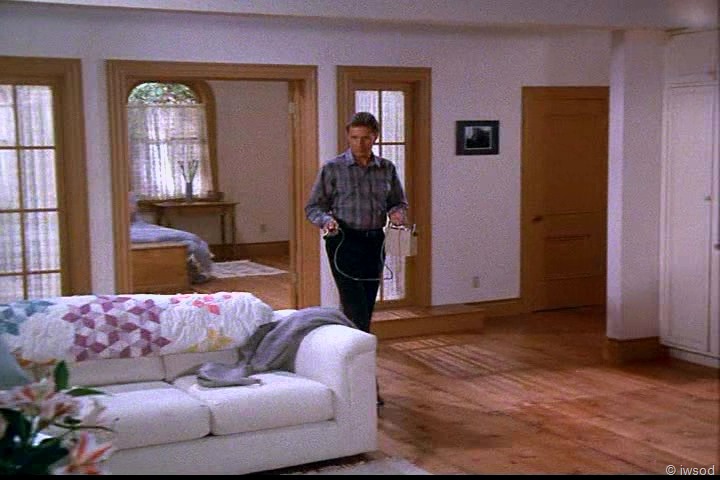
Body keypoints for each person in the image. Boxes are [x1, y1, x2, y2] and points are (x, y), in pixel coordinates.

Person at [305, 112, 408, 406]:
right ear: (348, 137)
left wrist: (397, 213)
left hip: (375, 242)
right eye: (354, 138)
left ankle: (343, 376)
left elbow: (398, 201)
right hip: (343, 242)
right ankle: (365, 387)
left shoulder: (386, 169)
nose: (359, 144)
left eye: (365, 138)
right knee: (356, 312)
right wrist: (326, 221)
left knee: (362, 311)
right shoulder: (333, 169)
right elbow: (313, 208)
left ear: (375, 137)